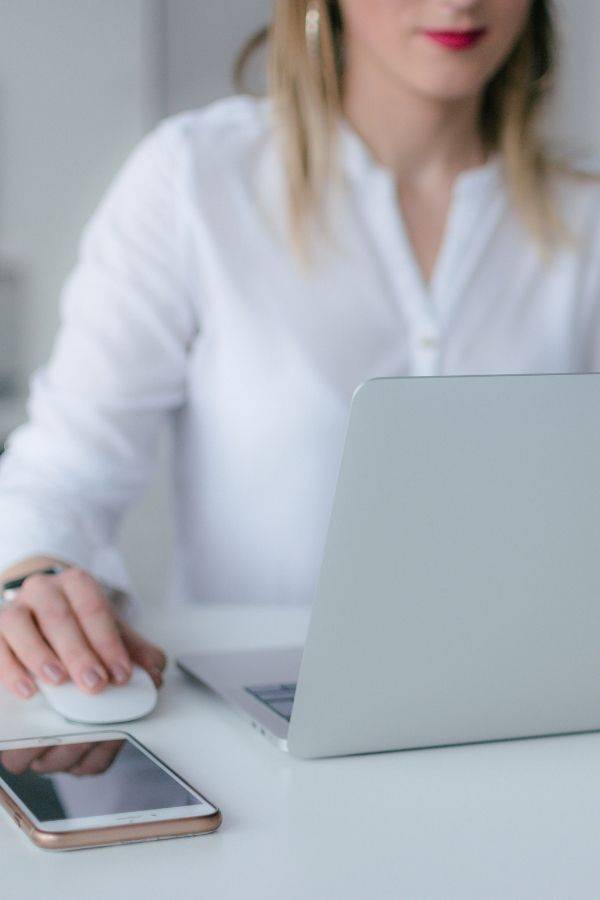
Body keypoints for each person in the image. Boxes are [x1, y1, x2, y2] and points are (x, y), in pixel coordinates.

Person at [0, 0, 598, 702]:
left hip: (523, 714)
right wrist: (32, 578)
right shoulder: (197, 178)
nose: (459, 0)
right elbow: (66, 471)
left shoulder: (585, 217)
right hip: (253, 722)